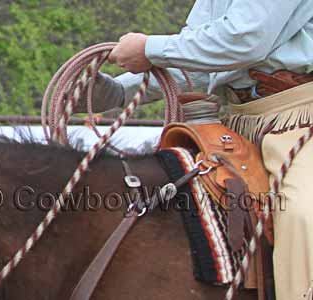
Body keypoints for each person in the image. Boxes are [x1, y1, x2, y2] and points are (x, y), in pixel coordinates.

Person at [78, 1, 313, 300]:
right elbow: (201, 64)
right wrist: (118, 91)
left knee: (302, 214)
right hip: (239, 121)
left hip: (303, 117)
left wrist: (149, 48)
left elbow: (246, 39)